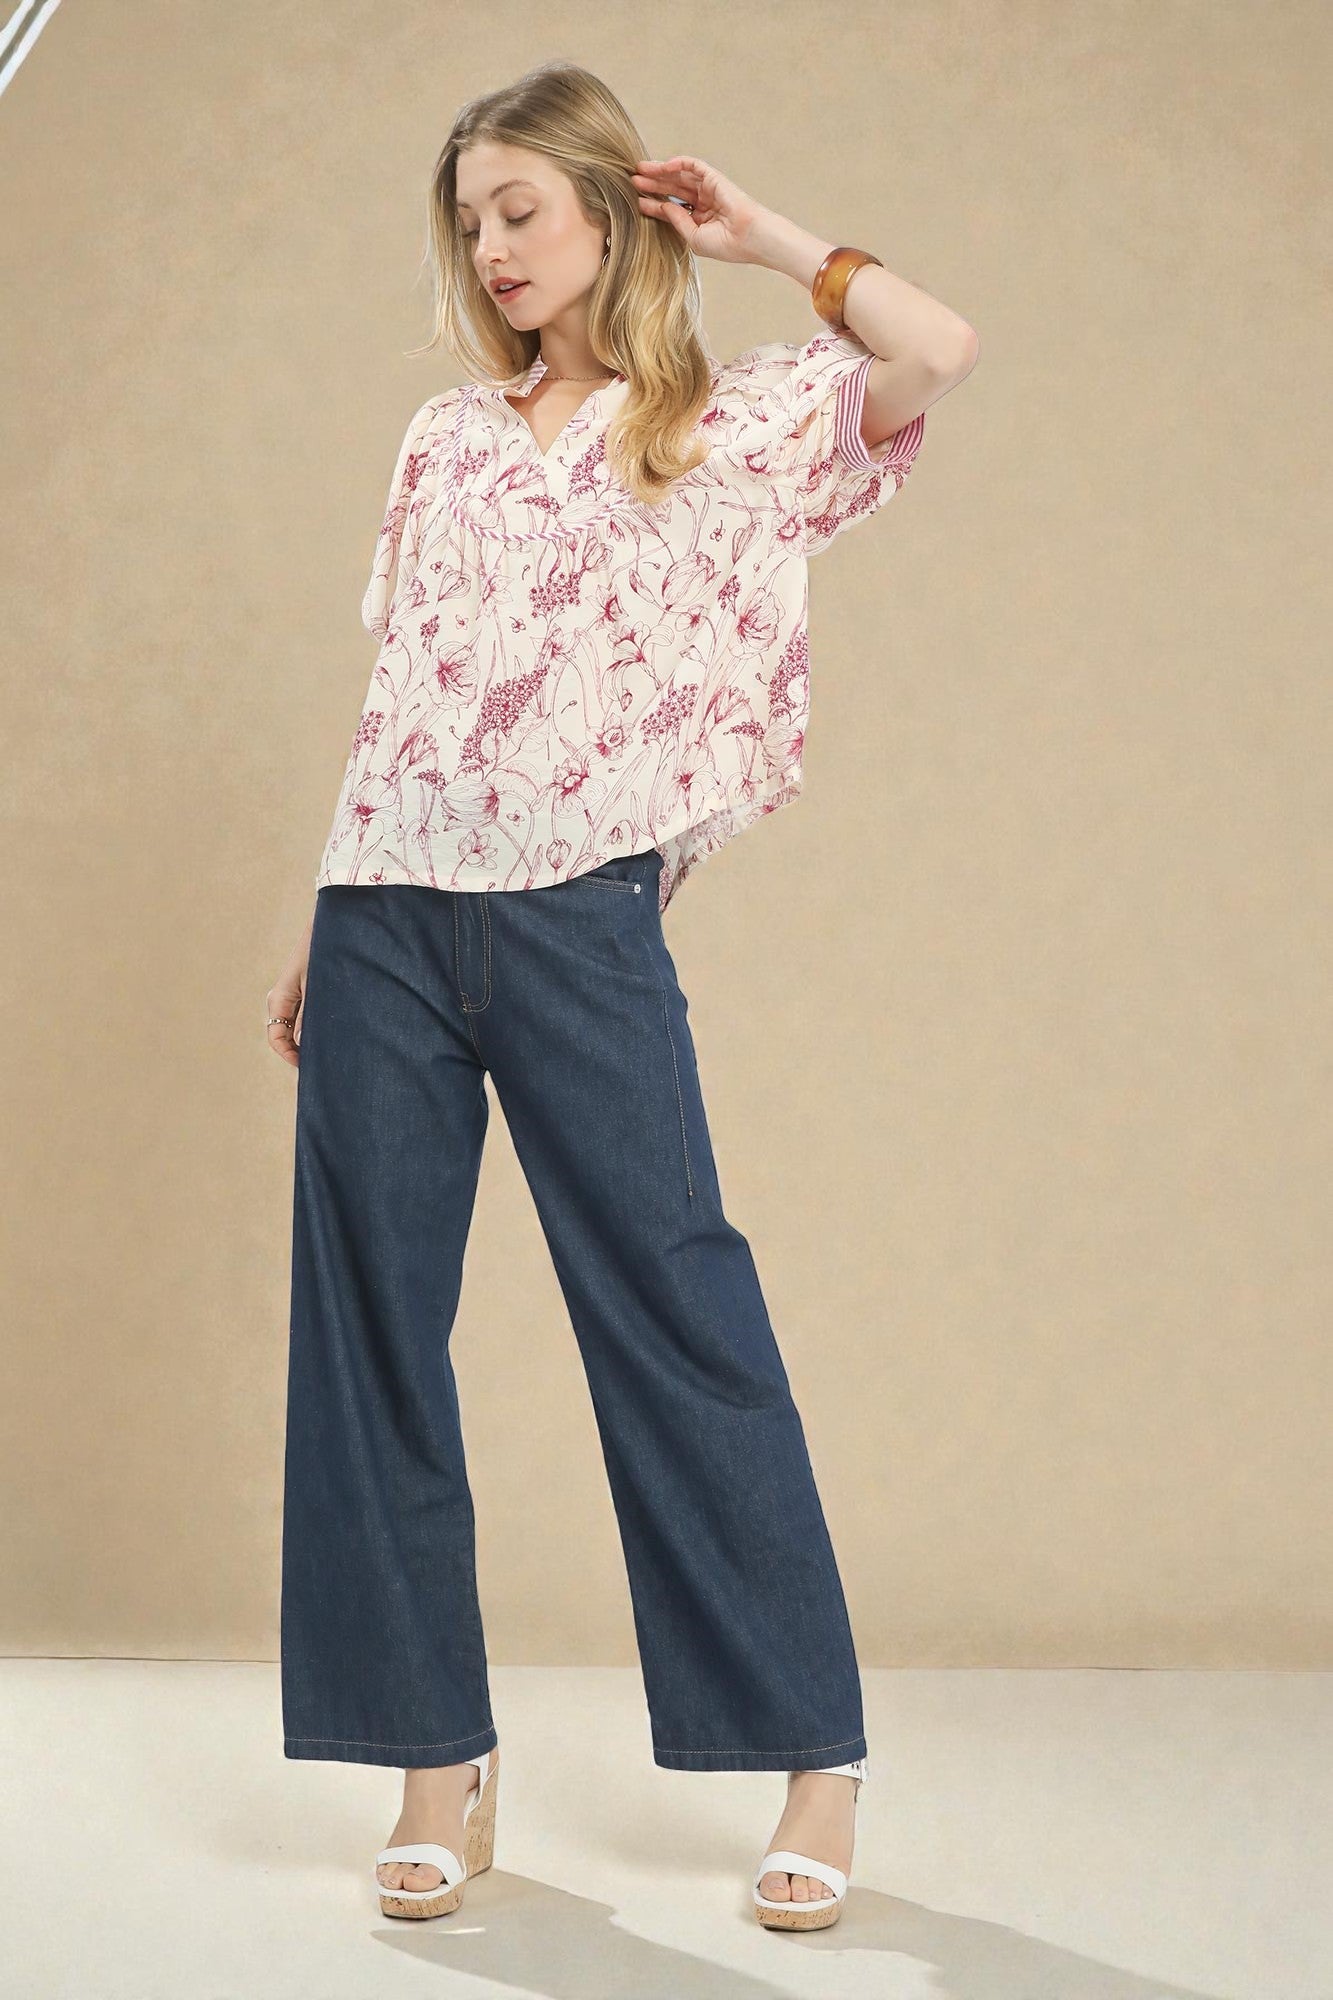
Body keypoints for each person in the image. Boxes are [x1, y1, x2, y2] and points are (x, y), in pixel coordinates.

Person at [265, 60, 977, 1934]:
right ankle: (438, 1759)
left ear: (607, 206)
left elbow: (939, 347)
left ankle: (813, 1761)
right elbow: (409, 687)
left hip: (578, 917)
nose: (493, 247)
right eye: (471, 219)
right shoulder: (442, 437)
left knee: (673, 1308)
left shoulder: (730, 421)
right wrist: (318, 921)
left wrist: (763, 242)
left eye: (522, 208)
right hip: (384, 913)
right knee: (369, 1336)